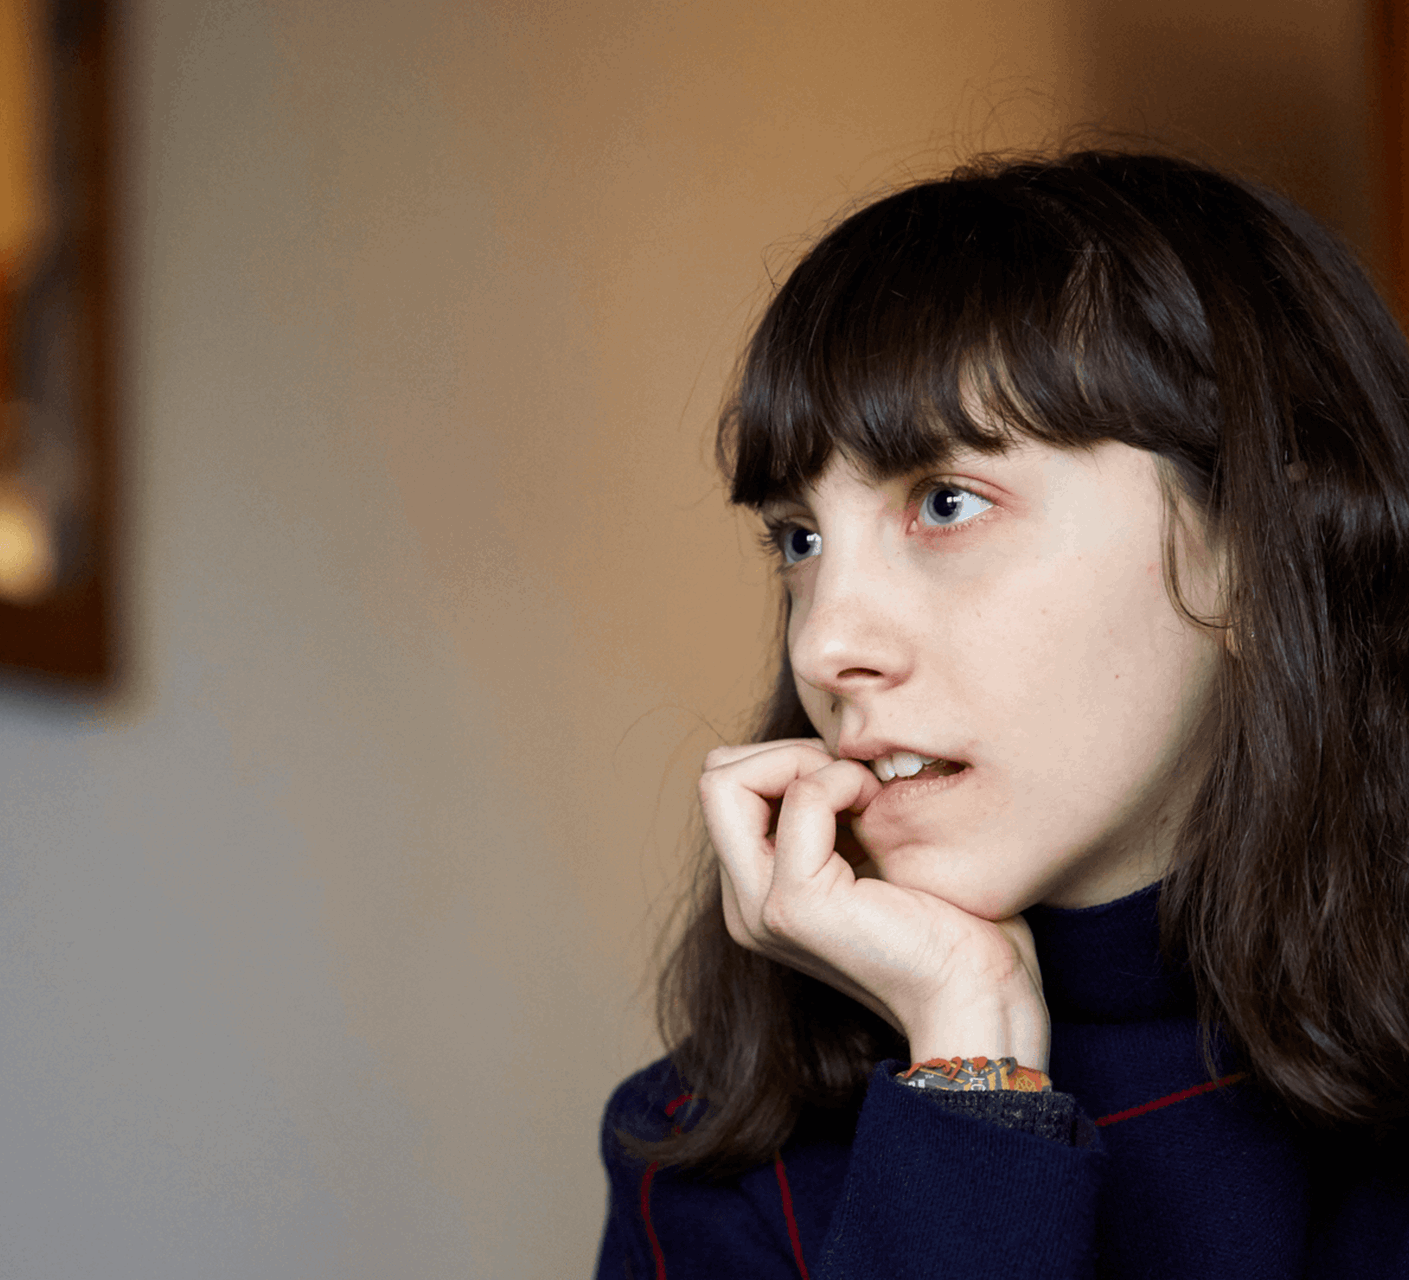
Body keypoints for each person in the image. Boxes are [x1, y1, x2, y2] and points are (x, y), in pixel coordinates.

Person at [593, 150, 1409, 1278]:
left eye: (945, 501)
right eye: (799, 538)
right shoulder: (707, 1157)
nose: (827, 641)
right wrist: (971, 1070)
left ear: (1262, 548)